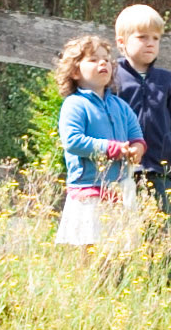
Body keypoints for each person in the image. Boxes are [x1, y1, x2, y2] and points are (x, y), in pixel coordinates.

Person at [54, 34, 145, 251]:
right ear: (75, 72)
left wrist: (137, 149)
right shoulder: (74, 105)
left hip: (118, 188)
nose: (102, 63)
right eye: (93, 60)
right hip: (88, 188)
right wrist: (111, 148)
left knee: (116, 250)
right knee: (89, 249)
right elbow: (73, 141)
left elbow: (136, 135)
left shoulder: (120, 106)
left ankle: (111, 285)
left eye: (106, 59)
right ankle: (86, 285)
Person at [111, 3, 171, 213]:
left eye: (156, 38)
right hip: (121, 168)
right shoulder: (112, 78)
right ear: (122, 42)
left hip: (160, 168)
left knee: (160, 227)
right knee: (122, 225)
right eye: (142, 37)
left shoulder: (166, 80)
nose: (150, 43)